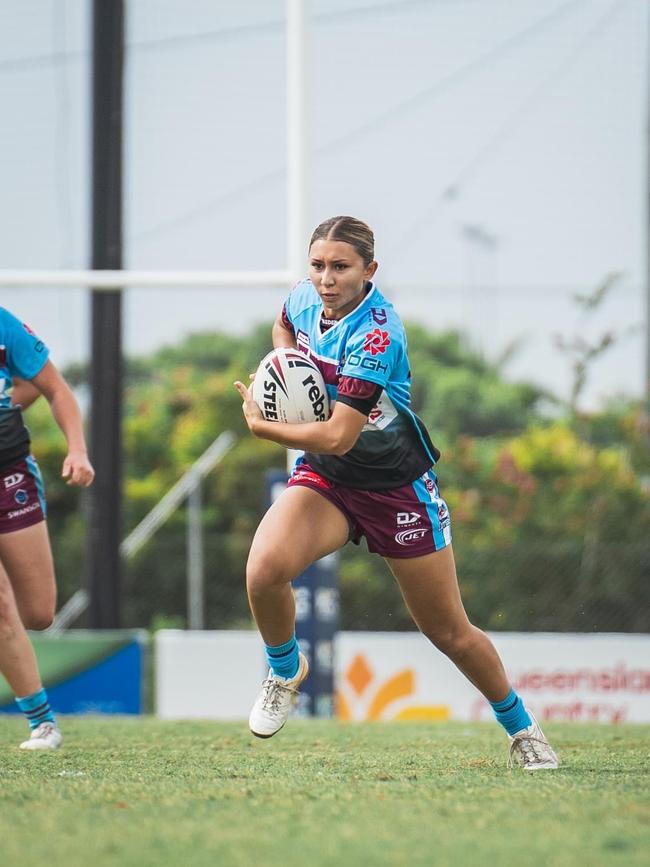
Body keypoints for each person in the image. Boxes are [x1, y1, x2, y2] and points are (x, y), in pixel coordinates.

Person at [234, 215, 558, 770]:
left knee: (449, 630)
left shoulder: (378, 332)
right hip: (329, 480)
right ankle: (286, 669)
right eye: (317, 266)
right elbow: (283, 328)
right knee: (263, 570)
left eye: (340, 267)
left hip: (395, 489)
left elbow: (339, 432)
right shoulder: (304, 298)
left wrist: (268, 426)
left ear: (369, 270)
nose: (326, 278)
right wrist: (287, 371)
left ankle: (521, 728)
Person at [0, 307, 94, 749]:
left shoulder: (4, 325)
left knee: (37, 613)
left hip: (10, 472)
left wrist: (77, 450)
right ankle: (43, 723)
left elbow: (52, 389)